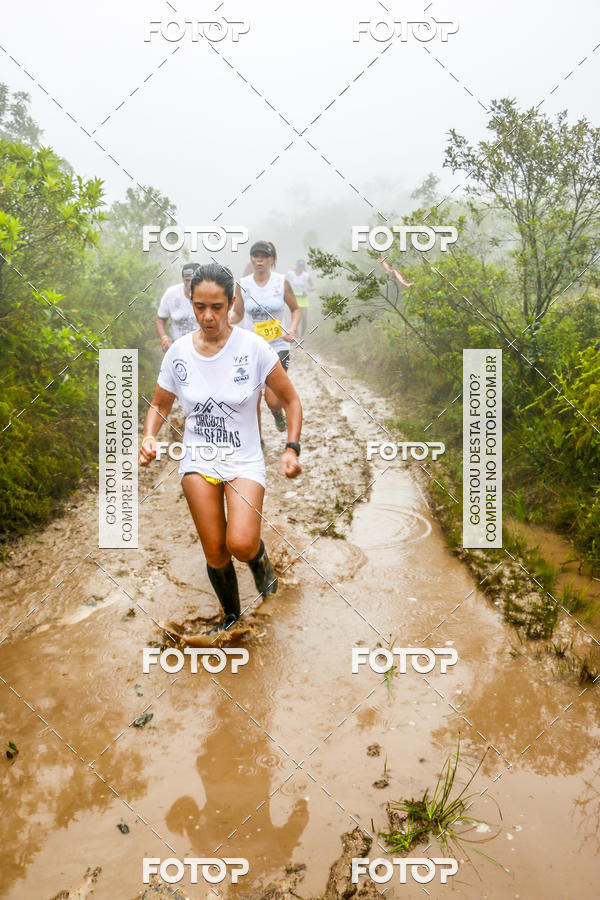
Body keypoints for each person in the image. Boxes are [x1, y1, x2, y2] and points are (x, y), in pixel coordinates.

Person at [140, 263, 303, 636]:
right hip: (197, 458)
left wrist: (291, 447)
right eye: (200, 307)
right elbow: (160, 404)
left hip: (244, 458)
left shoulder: (255, 348)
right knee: (215, 551)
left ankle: (260, 563)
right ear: (191, 303)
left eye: (217, 307)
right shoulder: (179, 353)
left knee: (241, 543)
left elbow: (292, 400)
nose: (208, 316)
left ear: (231, 303)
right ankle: (232, 617)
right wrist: (149, 436)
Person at [231, 241, 300, 434]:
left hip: (278, 346)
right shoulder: (243, 284)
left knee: (273, 399)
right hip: (251, 347)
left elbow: (295, 309)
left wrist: (292, 329)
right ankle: (258, 441)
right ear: (251, 259)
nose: (259, 259)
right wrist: (223, 320)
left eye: (263, 256)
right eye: (255, 256)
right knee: (252, 399)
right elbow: (237, 314)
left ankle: (277, 413)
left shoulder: (281, 281)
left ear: (271, 259)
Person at [156, 262, 200, 352]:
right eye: (187, 280)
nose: (190, 284)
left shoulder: (209, 294)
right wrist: (164, 338)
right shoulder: (171, 293)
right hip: (177, 346)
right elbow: (160, 319)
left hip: (202, 347)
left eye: (193, 280)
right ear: (183, 279)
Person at [286, 259, 313, 340]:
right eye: (299, 266)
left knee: (304, 317)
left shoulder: (306, 275)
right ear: (296, 266)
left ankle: (302, 335)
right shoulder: (290, 273)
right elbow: (284, 282)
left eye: (302, 266)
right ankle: (296, 334)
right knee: (295, 317)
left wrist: (307, 290)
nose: (300, 268)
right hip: (293, 296)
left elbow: (311, 285)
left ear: (303, 267)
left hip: (302, 297)